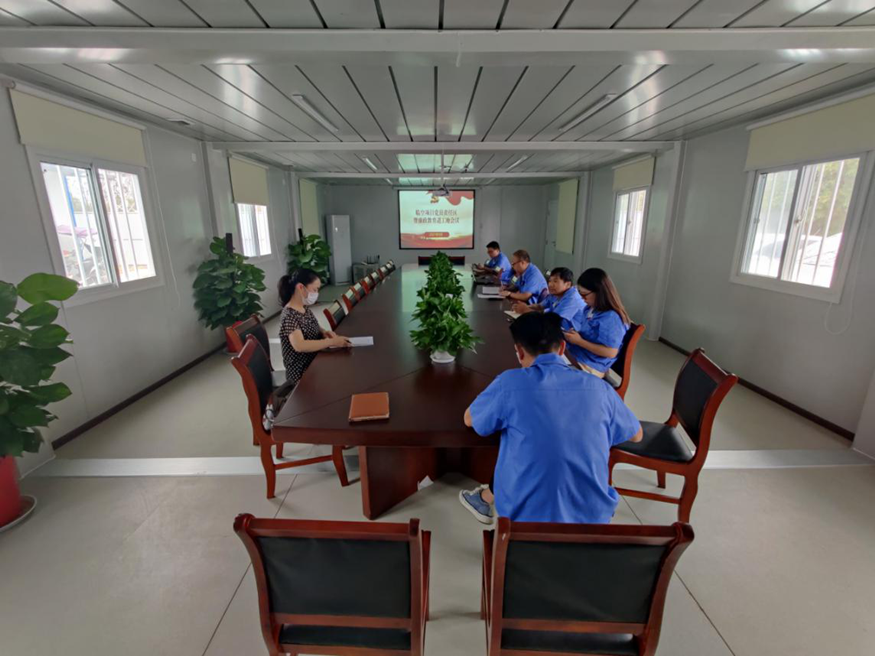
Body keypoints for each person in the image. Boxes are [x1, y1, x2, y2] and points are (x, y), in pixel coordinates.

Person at [458, 312, 642, 524]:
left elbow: (470, 419)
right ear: (562, 348)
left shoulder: (509, 383)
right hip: (594, 522)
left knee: (516, 448)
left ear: (519, 351)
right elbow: (636, 435)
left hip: (525, 522)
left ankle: (485, 498)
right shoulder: (600, 388)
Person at [278, 269, 351, 384]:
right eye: (314, 290)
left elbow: (314, 326)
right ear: (301, 287)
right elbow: (299, 345)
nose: (316, 293)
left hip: (315, 360)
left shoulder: (303, 308)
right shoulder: (289, 315)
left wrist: (324, 332)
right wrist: (331, 342)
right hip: (302, 373)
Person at [563, 268, 630, 378]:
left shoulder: (611, 318)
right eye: (579, 294)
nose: (582, 298)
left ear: (599, 292)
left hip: (591, 365)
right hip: (582, 354)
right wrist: (575, 335)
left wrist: (579, 341)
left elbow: (611, 352)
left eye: (584, 294)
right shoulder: (590, 308)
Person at [511, 266, 583, 330]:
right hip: (555, 329)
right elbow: (540, 306)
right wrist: (524, 307)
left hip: (571, 335)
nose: (550, 284)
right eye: (550, 281)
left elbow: (553, 321)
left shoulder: (572, 298)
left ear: (568, 284)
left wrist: (526, 310)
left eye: (555, 281)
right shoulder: (555, 293)